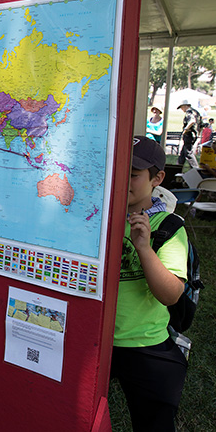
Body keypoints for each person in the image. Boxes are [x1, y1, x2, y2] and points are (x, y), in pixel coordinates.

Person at [111, 136, 189, 431]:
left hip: (144, 341)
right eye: (117, 170)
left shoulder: (167, 227)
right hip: (95, 340)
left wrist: (144, 248)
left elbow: (171, 294)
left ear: (157, 178)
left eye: (132, 174)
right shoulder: (94, 219)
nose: (122, 180)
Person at [177, 100, 200, 169]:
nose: (182, 109)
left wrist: (186, 129)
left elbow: (192, 121)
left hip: (189, 134)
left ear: (185, 106)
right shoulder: (196, 112)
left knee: (188, 152)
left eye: (182, 107)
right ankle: (178, 167)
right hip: (194, 135)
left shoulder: (189, 112)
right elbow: (201, 124)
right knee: (183, 153)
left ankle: (195, 169)